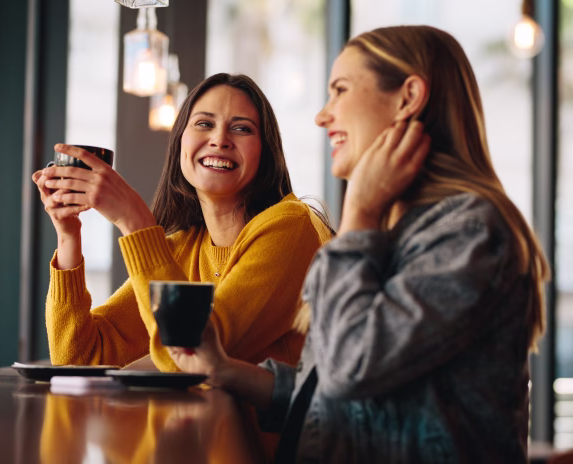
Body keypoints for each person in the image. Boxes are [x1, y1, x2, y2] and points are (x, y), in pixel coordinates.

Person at [167, 25, 549, 463]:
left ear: (407, 98)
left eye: (340, 90)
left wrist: (359, 214)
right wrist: (225, 371)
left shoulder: (471, 233)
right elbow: (334, 399)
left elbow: (352, 368)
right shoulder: (392, 233)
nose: (322, 115)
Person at [32, 73, 333, 372]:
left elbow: (195, 356)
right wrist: (68, 235)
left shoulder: (290, 227)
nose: (219, 140)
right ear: (179, 144)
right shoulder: (182, 250)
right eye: (204, 124)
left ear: (265, 153)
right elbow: (79, 359)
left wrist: (133, 219)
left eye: (242, 128)